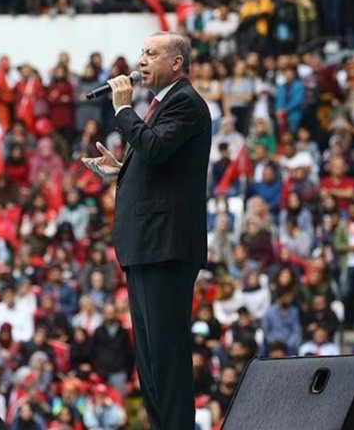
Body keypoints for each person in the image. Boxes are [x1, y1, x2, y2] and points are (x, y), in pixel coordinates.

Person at [81, 32, 211, 429]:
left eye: (152, 54)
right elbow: (160, 164)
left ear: (176, 63)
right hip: (147, 245)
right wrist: (122, 171)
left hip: (165, 246)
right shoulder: (161, 106)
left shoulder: (185, 102)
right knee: (150, 360)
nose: (141, 60)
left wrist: (123, 109)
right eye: (142, 52)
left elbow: (154, 148)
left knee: (166, 356)